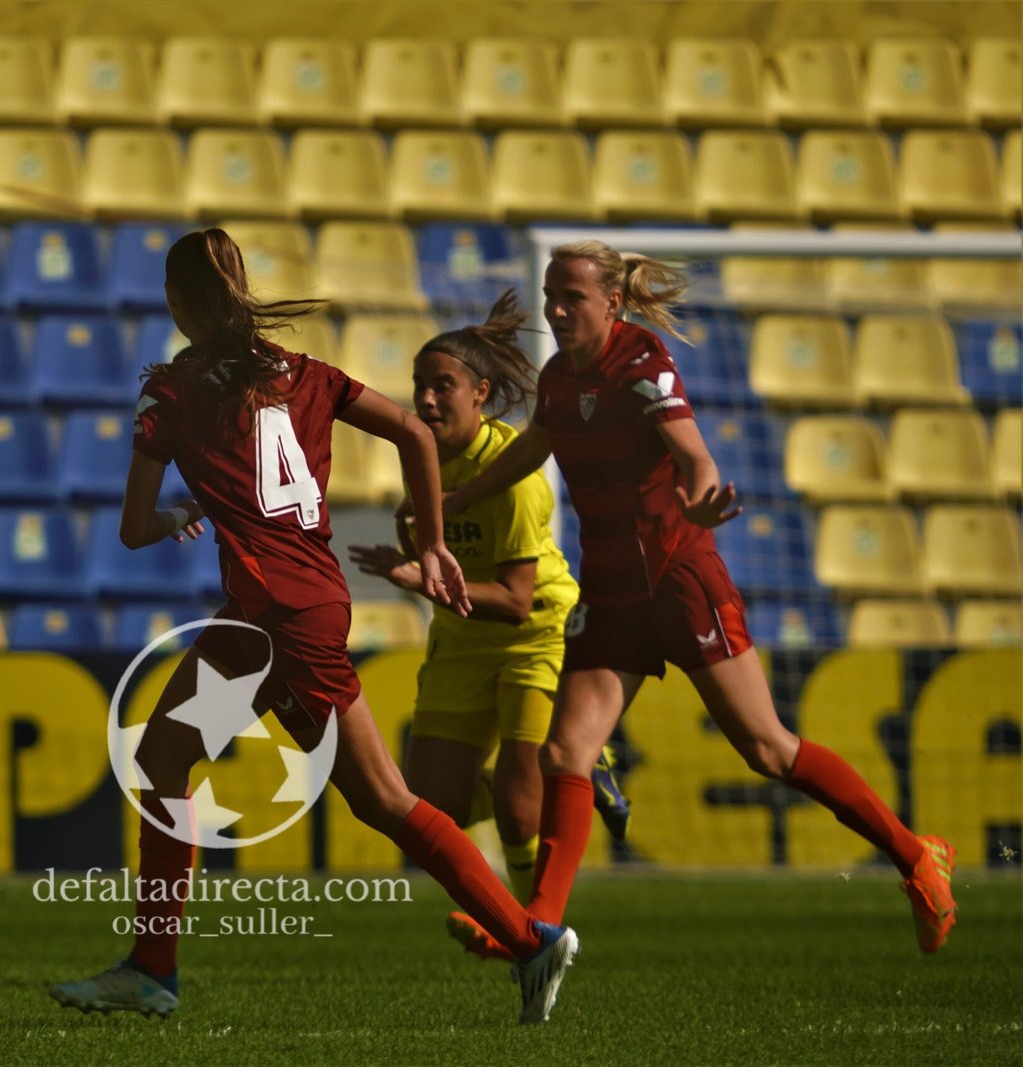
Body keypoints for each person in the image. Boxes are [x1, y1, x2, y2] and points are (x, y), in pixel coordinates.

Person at [47, 229, 579, 1026]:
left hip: (276, 614)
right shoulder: (306, 374)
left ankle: (530, 939)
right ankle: (151, 967)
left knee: (384, 799)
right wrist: (433, 541)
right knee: (170, 757)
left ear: (177, 302)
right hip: (297, 603)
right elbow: (409, 431)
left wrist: (177, 513)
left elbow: (130, 527)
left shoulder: (172, 392)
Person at [435, 241, 955, 961]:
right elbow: (533, 448)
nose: (555, 310)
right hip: (613, 591)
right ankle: (538, 928)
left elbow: (693, 451)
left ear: (611, 303)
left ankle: (916, 856)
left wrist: (705, 495)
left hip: (679, 577)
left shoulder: (641, 362)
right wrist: (459, 495)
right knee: (567, 750)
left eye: (571, 298)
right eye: (552, 296)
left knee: (768, 749)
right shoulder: (558, 376)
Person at [347, 291, 628, 929]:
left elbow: (516, 601)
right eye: (419, 385)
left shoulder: (514, 475)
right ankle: (542, 779)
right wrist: (412, 549)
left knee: (519, 812)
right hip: (461, 634)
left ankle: (534, 935)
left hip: (536, 633)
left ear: (481, 392)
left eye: (442, 386)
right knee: (425, 809)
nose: (425, 400)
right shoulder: (421, 453)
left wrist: (416, 579)